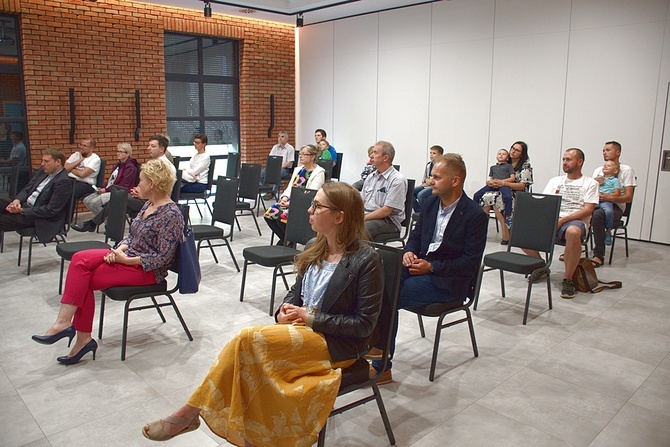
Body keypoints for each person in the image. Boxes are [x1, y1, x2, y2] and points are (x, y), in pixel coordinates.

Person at [141, 182, 383, 446]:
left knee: (248, 339)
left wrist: (311, 318)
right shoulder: (316, 245)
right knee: (248, 359)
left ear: (339, 217)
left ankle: (189, 413)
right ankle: (241, 437)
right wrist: (283, 312)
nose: (309, 211)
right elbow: (296, 293)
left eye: (317, 206)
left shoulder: (365, 259)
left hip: (337, 344)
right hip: (302, 332)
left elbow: (364, 326)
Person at [31, 158, 183, 364]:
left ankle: (79, 336)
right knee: (79, 260)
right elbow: (134, 236)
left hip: (144, 270)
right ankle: (67, 324)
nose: (136, 185)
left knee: (86, 279)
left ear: (152, 184)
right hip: (128, 256)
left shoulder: (171, 214)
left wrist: (126, 260)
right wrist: (120, 248)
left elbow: (162, 258)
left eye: (140, 181)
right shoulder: (149, 204)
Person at [369, 154, 487, 384]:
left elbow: (469, 263)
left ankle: (381, 366)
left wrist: (431, 267)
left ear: (455, 181)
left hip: (447, 281)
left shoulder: (475, 215)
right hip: (420, 264)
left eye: (436, 177)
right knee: (375, 281)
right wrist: (410, 252)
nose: (429, 181)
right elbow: (415, 237)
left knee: (389, 296)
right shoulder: (431, 203)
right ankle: (370, 349)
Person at [525, 148, 598, 299]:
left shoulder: (590, 183)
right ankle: (541, 267)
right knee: (521, 229)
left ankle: (568, 279)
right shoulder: (555, 181)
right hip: (554, 219)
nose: (565, 162)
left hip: (575, 222)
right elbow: (546, 203)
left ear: (580, 162)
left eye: (568, 159)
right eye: (564, 159)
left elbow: (589, 210)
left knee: (573, 232)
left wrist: (563, 220)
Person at [73, 135, 175, 232]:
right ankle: (111, 232)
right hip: (146, 198)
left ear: (161, 149)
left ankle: (94, 224)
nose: (148, 148)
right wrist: (138, 190)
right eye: (149, 145)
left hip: (155, 202)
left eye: (153, 146)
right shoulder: (154, 163)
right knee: (118, 203)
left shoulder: (165, 166)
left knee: (120, 197)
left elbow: (164, 190)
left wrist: (141, 193)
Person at [0, 149, 72, 243]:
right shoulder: (43, 171)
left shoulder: (63, 182)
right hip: (26, 205)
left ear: (57, 162)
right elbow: (27, 189)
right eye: (42, 160)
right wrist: (16, 201)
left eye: (46, 161)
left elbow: (50, 210)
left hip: (40, 216)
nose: (42, 164)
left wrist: (22, 210)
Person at [263, 144, 326, 246]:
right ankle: (286, 239)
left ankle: (288, 240)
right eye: (300, 154)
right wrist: (284, 198)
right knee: (269, 213)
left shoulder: (319, 172)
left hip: (304, 204)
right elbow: (290, 188)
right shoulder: (298, 170)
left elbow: (311, 194)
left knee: (282, 215)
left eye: (304, 154)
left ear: (312, 156)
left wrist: (291, 204)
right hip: (291, 201)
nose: (300, 156)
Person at [590, 141, 636, 268]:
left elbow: (629, 197)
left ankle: (598, 255)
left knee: (598, 215)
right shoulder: (599, 170)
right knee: (579, 211)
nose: (605, 152)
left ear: (618, 152)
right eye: (603, 150)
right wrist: (593, 184)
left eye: (608, 150)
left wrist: (609, 198)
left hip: (615, 206)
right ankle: (572, 250)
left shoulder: (626, 170)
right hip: (597, 202)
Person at [479, 141, 533, 245]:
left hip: (517, 193)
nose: (513, 151)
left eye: (517, 150)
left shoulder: (525, 166)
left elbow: (522, 185)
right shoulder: (504, 163)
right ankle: (481, 230)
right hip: (500, 190)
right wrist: (490, 182)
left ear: (522, 154)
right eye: (512, 148)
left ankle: (505, 233)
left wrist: (503, 183)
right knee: (487, 196)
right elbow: (493, 177)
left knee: (496, 198)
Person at [361, 140, 407, 239]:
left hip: (388, 221)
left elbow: (386, 211)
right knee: (335, 224)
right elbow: (362, 202)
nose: (371, 156)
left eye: (375, 152)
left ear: (385, 158)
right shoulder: (370, 177)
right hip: (367, 216)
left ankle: (355, 254)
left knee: (357, 230)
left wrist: (361, 218)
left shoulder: (397, 180)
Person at [82, 143, 139, 216]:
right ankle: (108, 219)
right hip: (110, 189)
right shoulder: (118, 165)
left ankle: (108, 221)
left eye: (121, 152)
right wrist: (103, 187)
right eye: (117, 151)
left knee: (94, 203)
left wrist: (106, 190)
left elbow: (123, 185)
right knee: (87, 200)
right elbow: (111, 181)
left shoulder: (130, 167)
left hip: (119, 193)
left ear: (127, 154)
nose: (118, 153)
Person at [473, 148, 515, 227]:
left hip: (503, 185)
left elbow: (512, 178)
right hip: (493, 185)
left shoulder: (509, 166)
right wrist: (491, 182)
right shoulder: (493, 167)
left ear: (507, 158)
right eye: (499, 154)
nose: (501, 155)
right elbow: (491, 178)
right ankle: (475, 213)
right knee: (477, 195)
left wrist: (502, 182)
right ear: (496, 157)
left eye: (503, 154)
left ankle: (508, 216)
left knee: (508, 197)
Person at [260, 130, 294, 198]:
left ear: (286, 139)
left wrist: (280, 167)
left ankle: (273, 193)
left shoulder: (290, 148)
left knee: (277, 174)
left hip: (285, 169)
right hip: (274, 167)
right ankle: (268, 190)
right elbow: (271, 158)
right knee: (260, 174)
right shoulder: (275, 147)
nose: (280, 138)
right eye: (279, 136)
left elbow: (290, 162)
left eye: (282, 137)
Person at [594, 160, 621, 246]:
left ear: (615, 171)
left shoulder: (615, 181)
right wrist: (594, 182)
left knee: (609, 211)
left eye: (608, 166)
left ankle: (608, 230)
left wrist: (607, 196)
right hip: (596, 200)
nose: (605, 167)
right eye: (604, 165)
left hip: (606, 201)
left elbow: (617, 194)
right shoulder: (599, 179)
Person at [412, 145, 444, 213]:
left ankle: (427, 213)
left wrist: (432, 181)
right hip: (427, 185)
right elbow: (424, 179)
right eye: (430, 153)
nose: (431, 155)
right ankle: (419, 212)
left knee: (421, 195)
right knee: (410, 192)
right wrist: (426, 181)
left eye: (434, 153)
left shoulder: (442, 166)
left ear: (440, 155)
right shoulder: (429, 165)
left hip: (435, 186)